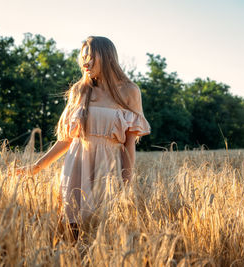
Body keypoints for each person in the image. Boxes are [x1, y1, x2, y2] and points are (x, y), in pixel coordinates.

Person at [16, 36, 150, 234]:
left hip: (108, 169)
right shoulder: (79, 90)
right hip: (76, 166)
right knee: (73, 229)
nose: (85, 62)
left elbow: (129, 144)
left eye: (91, 57)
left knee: (103, 229)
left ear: (106, 57)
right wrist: (36, 167)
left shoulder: (130, 91)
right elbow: (67, 140)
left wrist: (127, 183)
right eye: (83, 57)